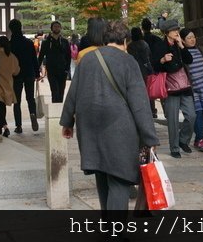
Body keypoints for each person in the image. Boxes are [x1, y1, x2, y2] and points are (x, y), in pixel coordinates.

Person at [60, 19, 160, 210]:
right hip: (119, 129)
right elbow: (139, 104)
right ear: (124, 40)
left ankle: (108, 227)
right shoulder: (128, 61)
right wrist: (150, 137)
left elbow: (73, 92)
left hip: (89, 127)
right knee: (119, 179)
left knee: (102, 175)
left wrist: (67, 122)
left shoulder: (87, 58)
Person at [152, 17, 194, 158]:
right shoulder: (159, 46)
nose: (176, 32)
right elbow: (154, 66)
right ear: (166, 32)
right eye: (173, 30)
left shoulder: (179, 45)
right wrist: (163, 60)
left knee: (191, 116)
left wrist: (182, 46)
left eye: (177, 29)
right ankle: (174, 147)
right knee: (173, 120)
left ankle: (183, 140)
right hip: (170, 87)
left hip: (185, 85)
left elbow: (189, 60)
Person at [181, 28, 203, 152]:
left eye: (193, 37)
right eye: (189, 38)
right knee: (197, 113)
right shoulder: (182, 53)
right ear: (183, 41)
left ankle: (198, 139)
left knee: (202, 112)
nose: (192, 39)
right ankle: (200, 138)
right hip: (192, 88)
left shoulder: (201, 49)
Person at [8, 18, 41, 133]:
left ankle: (18, 126)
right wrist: (37, 73)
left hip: (16, 74)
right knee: (30, 97)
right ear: (21, 27)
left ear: (11, 29)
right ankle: (32, 113)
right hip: (29, 72)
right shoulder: (28, 42)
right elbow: (34, 59)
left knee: (17, 100)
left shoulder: (10, 44)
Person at [0, 35, 20, 137]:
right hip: (8, 84)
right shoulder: (12, 56)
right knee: (2, 107)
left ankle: (5, 127)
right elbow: (16, 71)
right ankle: (0, 126)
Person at [38, 20, 72, 103]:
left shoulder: (64, 42)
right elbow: (41, 56)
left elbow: (68, 56)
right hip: (51, 69)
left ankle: (60, 108)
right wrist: (37, 68)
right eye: (55, 26)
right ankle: (55, 107)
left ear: (60, 28)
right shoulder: (46, 42)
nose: (56, 28)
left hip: (62, 69)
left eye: (58, 26)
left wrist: (67, 69)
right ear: (51, 28)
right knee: (54, 90)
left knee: (61, 91)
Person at [141, 17, 160, 118]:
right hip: (157, 66)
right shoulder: (157, 39)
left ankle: (152, 110)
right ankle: (166, 112)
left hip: (145, 68)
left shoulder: (140, 41)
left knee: (148, 90)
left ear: (142, 28)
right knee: (160, 88)